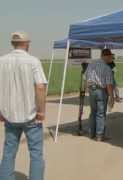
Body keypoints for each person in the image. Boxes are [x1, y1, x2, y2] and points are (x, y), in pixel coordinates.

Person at [0, 32, 47, 180]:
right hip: (31, 116)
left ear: (12, 44)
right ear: (27, 44)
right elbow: (40, 87)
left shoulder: (2, 61)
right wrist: (41, 111)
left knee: (8, 152)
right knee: (36, 153)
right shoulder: (33, 61)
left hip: (9, 116)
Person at [85, 49, 115, 141]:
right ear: (106, 56)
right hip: (101, 91)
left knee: (93, 112)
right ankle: (99, 135)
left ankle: (91, 133)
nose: (112, 58)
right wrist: (112, 97)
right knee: (101, 114)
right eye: (111, 56)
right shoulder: (107, 68)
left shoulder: (91, 64)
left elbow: (85, 77)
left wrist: (87, 89)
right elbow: (109, 85)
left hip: (91, 90)